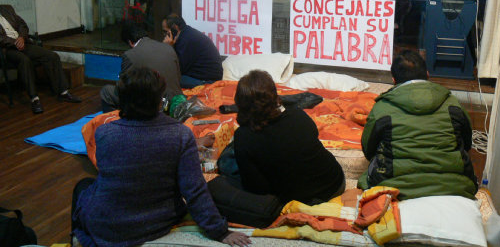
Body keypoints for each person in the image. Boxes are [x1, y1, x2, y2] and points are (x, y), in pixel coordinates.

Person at [72, 67, 251, 247]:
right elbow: (194, 190)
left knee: (83, 187)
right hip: (157, 222)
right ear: (159, 100)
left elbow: (113, 179)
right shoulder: (180, 134)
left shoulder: (104, 133)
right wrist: (221, 231)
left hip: (108, 226)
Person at [358, 50, 478, 200]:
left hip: (393, 186)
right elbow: (466, 144)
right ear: (427, 74)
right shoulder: (452, 104)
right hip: (455, 185)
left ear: (394, 81)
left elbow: (368, 150)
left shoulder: (382, 108)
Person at [233, 70, 345, 205]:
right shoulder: (298, 114)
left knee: (231, 171)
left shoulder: (244, 137)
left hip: (306, 200)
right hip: (336, 182)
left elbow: (257, 188)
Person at [0, 4, 81, 114]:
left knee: (52, 56)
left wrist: (21, 38)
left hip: (23, 43)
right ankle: (34, 99)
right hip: (7, 50)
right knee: (25, 60)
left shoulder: (6, 9)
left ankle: (63, 92)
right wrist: (15, 42)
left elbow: (22, 25)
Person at [100, 21, 182, 112]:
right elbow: (178, 77)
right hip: (175, 101)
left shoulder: (130, 55)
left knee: (106, 91)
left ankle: (116, 122)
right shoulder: (168, 47)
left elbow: (123, 87)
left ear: (130, 42)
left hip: (152, 104)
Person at [162, 14, 223, 88]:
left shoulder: (186, 39)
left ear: (175, 28)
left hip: (208, 80)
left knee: (168, 79)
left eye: (165, 32)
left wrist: (169, 47)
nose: (164, 35)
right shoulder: (186, 33)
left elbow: (177, 69)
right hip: (199, 75)